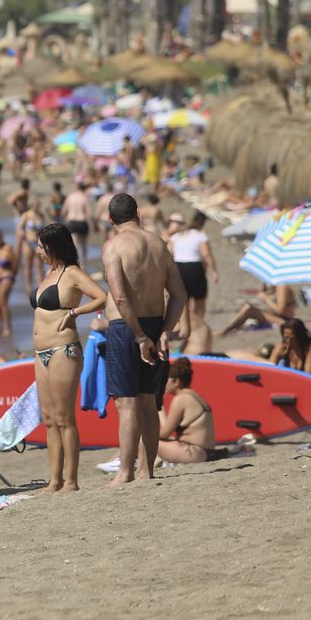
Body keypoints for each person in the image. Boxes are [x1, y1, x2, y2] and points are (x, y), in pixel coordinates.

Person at [100, 193, 187, 487]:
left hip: (127, 328)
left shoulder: (114, 246)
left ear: (110, 220)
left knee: (126, 404)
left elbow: (121, 297)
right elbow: (179, 295)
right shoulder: (158, 244)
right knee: (148, 402)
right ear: (138, 213)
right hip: (154, 324)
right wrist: (163, 331)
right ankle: (146, 471)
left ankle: (124, 472)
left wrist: (138, 337)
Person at [29, 223, 108, 492]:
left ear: (53, 246)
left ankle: (71, 480)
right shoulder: (48, 274)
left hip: (64, 350)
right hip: (41, 353)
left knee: (65, 418)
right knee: (49, 419)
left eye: (40, 246)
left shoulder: (72, 273)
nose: (37, 250)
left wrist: (75, 313)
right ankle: (54, 480)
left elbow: (101, 297)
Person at [170, 210, 218, 354]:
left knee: (183, 301)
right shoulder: (200, 235)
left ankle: (186, 329)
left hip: (178, 267)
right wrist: (214, 270)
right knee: (199, 302)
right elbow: (206, 254)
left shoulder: (177, 235)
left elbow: (167, 253)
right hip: (194, 267)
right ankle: (196, 327)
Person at [156, 358, 215, 464]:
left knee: (142, 439)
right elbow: (167, 429)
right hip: (206, 452)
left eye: (165, 380)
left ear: (176, 382)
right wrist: (160, 405)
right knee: (148, 439)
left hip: (194, 453)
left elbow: (164, 433)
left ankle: (136, 466)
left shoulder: (181, 399)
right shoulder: (192, 395)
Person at [229, 318, 311, 374]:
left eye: (293, 338)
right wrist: (277, 356)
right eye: (286, 338)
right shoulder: (282, 346)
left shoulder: (310, 346)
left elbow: (309, 373)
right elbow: (269, 368)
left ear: (300, 336)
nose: (289, 341)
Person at [218, 282, 297, 335]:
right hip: (274, 315)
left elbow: (281, 310)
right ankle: (228, 327)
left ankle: (226, 330)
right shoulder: (272, 285)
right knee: (247, 306)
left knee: (249, 310)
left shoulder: (282, 286)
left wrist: (265, 298)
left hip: (284, 320)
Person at [0, 228, 17, 339]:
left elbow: (15, 264)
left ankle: (8, 328)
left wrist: (12, 276)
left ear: (2, 237)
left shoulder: (8, 248)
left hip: (7, 277)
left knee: (3, 301)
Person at [62, 179, 96, 267]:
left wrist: (64, 221)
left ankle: (76, 265)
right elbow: (89, 214)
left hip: (71, 221)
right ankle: (84, 265)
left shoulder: (70, 197)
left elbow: (64, 211)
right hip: (82, 221)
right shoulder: (84, 197)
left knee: (75, 245)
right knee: (84, 246)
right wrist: (93, 225)